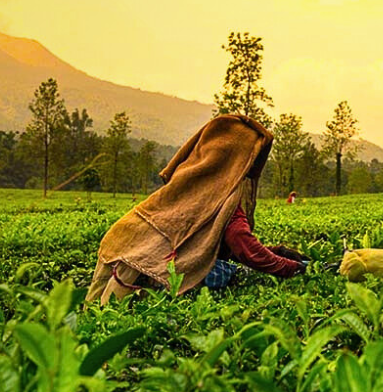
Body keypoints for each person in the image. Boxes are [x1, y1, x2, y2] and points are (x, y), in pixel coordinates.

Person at [85, 115, 306, 304]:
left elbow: (212, 243)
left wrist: (278, 252)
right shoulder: (226, 194)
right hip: (141, 263)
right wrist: (292, 268)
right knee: (118, 323)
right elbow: (242, 245)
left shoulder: (192, 178)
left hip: (121, 242)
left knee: (95, 319)